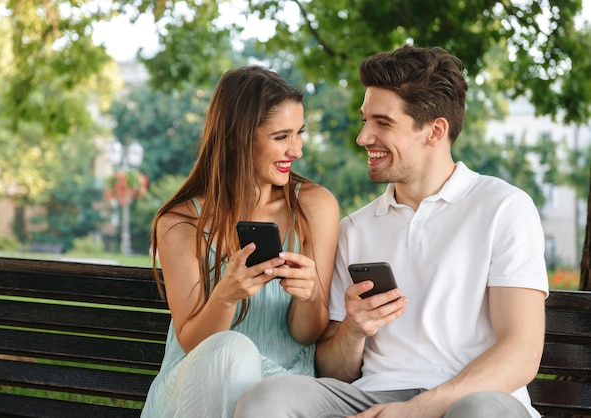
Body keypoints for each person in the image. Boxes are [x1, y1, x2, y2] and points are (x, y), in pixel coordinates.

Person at [235, 45, 549, 418]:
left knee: (481, 412)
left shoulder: (503, 207)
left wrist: (417, 410)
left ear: (435, 131)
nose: (364, 137)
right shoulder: (355, 228)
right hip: (375, 396)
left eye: (382, 123)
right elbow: (333, 371)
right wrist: (354, 329)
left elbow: (521, 352)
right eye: (365, 120)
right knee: (267, 399)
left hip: (472, 397)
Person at [140, 66, 339, 418]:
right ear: (237, 137)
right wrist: (227, 294)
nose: (297, 150)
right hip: (198, 390)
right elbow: (192, 342)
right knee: (232, 349)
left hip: (281, 389)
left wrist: (310, 296)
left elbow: (306, 334)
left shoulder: (314, 207)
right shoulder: (180, 223)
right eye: (281, 136)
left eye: (299, 134)